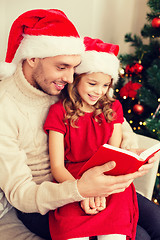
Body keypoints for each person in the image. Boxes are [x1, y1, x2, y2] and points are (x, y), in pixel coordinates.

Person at [0, 8, 159, 240]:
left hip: (92, 176)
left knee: (156, 220)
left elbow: (114, 121)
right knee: (139, 235)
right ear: (32, 58)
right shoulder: (5, 108)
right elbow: (21, 194)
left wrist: (127, 153)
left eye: (74, 68)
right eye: (62, 67)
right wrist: (81, 191)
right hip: (46, 197)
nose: (70, 78)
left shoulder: (64, 85)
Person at [43, 36, 138, 240]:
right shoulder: (58, 112)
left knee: (114, 235)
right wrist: (82, 191)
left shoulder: (113, 109)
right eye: (92, 83)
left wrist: (101, 190)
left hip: (109, 179)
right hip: (72, 180)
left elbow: (115, 159)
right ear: (76, 79)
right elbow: (58, 168)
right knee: (72, 232)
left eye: (105, 85)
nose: (99, 91)